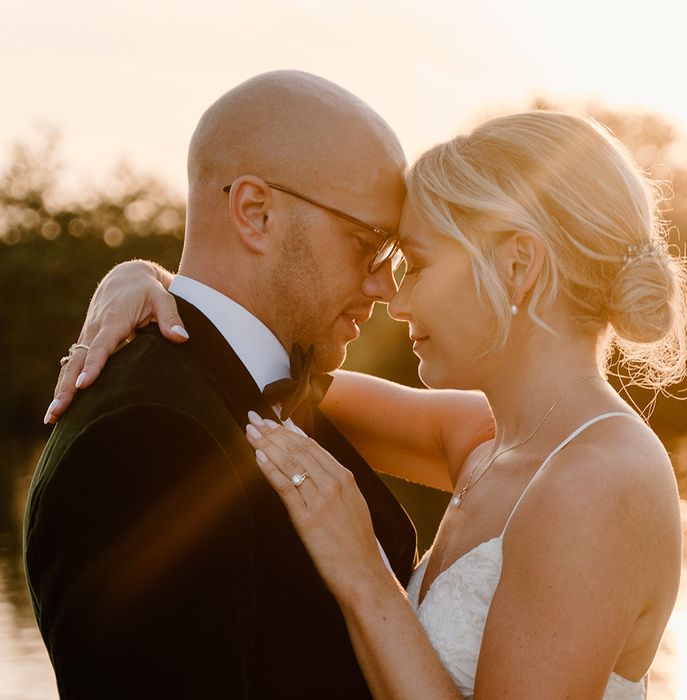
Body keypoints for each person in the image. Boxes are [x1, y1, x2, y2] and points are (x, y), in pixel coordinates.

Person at [48, 111, 687, 698]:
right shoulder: (485, 438)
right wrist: (143, 281)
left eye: (414, 263)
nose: (396, 298)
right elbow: (246, 372)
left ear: (515, 267)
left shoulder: (599, 484)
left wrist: (362, 573)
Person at [24, 70, 441, 699]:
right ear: (255, 213)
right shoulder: (146, 440)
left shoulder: (257, 384)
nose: (384, 286)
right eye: (368, 243)